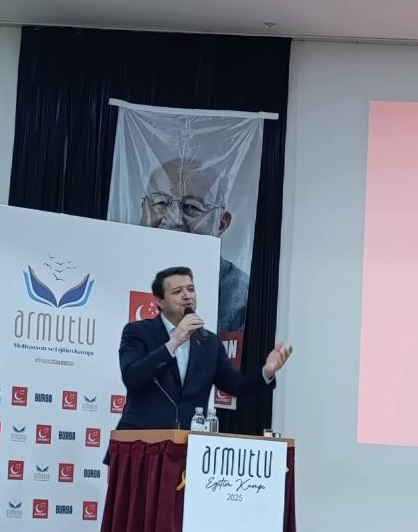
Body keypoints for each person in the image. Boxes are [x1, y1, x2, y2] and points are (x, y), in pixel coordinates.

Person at [115, 266, 292, 431]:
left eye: (191, 289)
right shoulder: (138, 332)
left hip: (189, 442)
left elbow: (235, 385)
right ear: (159, 301)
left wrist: (266, 372)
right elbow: (132, 376)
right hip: (140, 441)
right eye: (177, 291)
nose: (187, 296)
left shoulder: (210, 342)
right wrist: (173, 342)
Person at [139, 159, 250, 334]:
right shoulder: (117, 273)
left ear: (221, 223)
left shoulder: (243, 296)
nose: (173, 219)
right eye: (161, 203)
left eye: (191, 206)